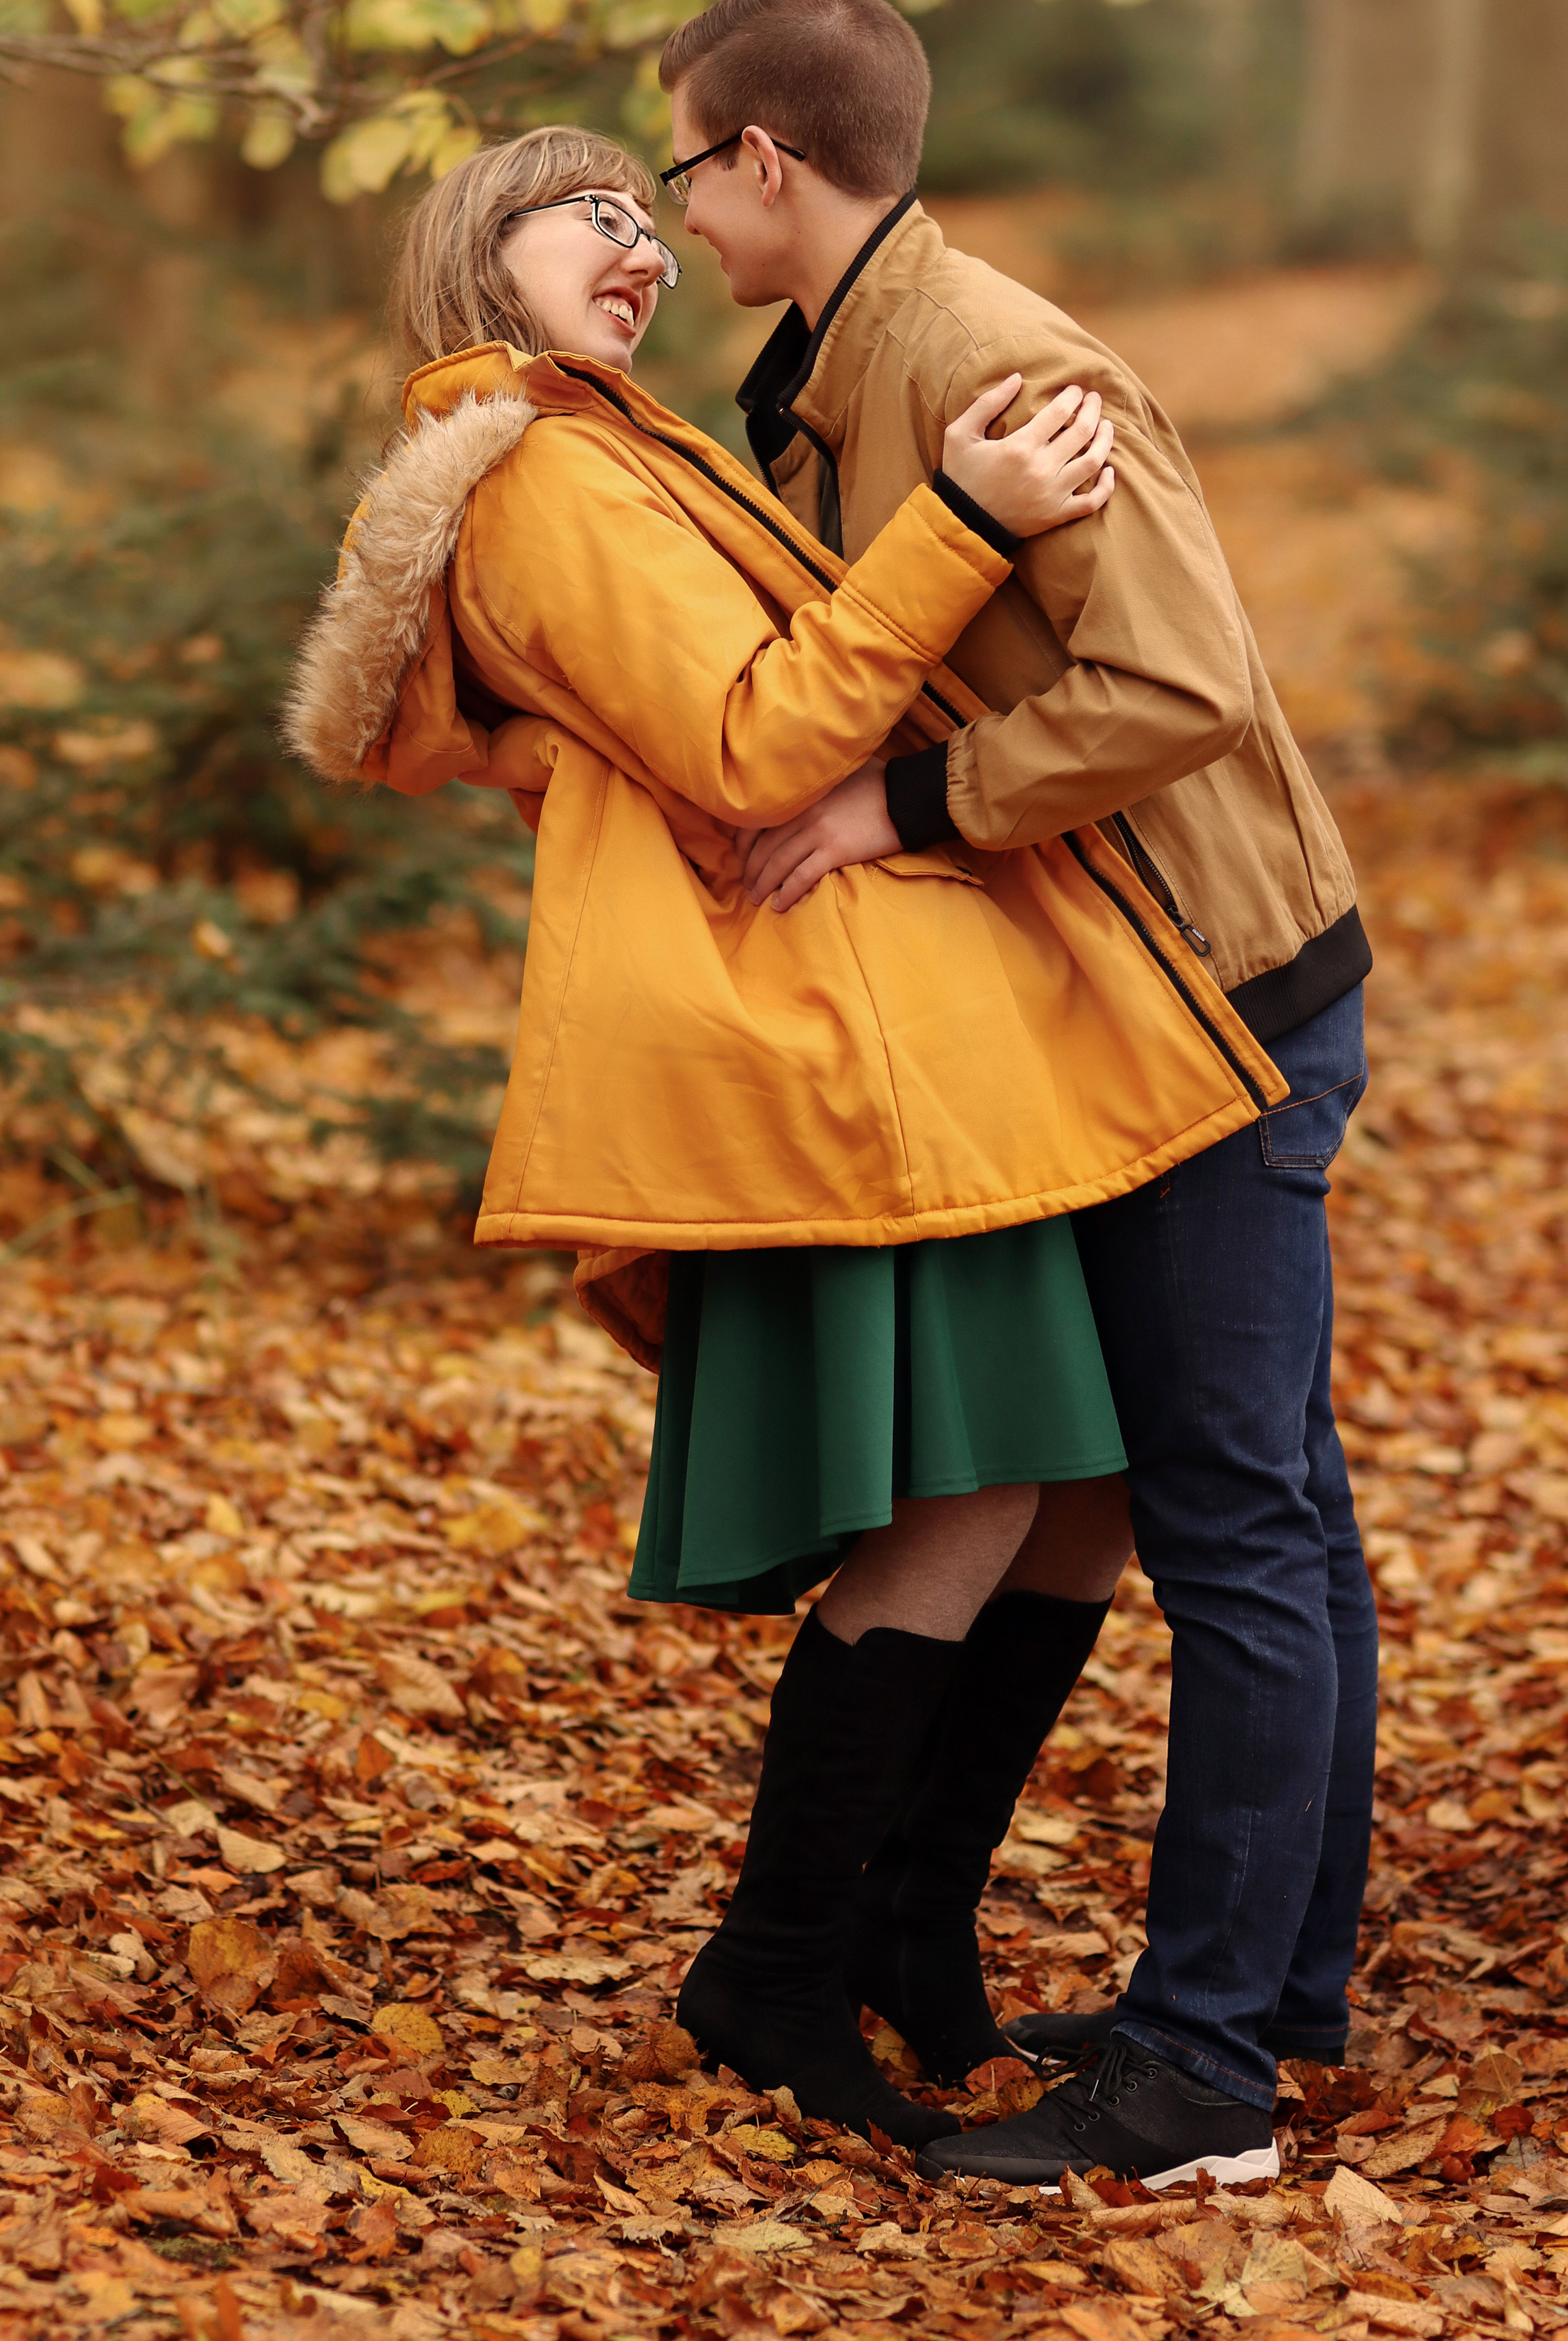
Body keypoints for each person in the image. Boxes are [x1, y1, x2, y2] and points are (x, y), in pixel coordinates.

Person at [284, 124, 1284, 2167]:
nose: (634, 253)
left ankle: (903, 1930)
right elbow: (754, 738)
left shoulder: (615, 439)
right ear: (484, 251)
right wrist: (973, 520)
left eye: (645, 227)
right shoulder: (538, 471)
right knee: (986, 1482)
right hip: (828, 1047)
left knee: (1078, 1481)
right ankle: (775, 1962)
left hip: (907, 1027)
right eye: (589, 219)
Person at [654, 0, 1378, 2191]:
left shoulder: (983, 356)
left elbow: (1181, 678)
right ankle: (1285, 1997)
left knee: (1233, 1511)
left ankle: (1205, 2082)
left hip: (1221, 990)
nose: (678, 207)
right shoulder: (848, 374)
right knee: (1271, 1506)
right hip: (1138, 986)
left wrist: (910, 809)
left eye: (683, 163)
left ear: (765, 160)